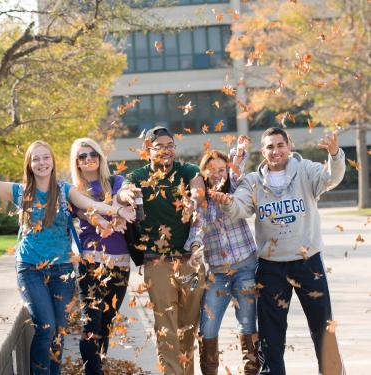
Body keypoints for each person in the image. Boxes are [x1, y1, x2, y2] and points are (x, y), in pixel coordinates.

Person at [0, 141, 135, 375]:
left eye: (46, 157)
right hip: (30, 269)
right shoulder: (20, 191)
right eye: (36, 159)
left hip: (62, 271)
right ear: (29, 164)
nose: (41, 163)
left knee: (59, 332)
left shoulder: (65, 191)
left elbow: (91, 205)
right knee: (46, 328)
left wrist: (117, 211)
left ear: (53, 162)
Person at [209, 127, 346, 375]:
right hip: (271, 267)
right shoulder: (252, 181)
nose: (276, 151)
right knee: (271, 336)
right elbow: (239, 206)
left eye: (280, 145)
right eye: (270, 147)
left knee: (323, 328)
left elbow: (331, 178)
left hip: (307, 263)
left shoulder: (306, 170)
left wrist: (335, 154)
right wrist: (229, 203)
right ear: (263, 151)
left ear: (289, 146)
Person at [116, 126, 206, 375]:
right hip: (157, 262)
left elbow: (198, 186)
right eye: (160, 146)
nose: (166, 151)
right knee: (166, 325)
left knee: (188, 325)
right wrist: (127, 194)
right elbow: (123, 191)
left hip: (189, 260)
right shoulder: (138, 177)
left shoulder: (186, 170)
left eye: (170, 146)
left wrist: (194, 200)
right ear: (148, 149)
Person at [184, 136, 259, 375]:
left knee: (247, 323)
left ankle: (251, 370)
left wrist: (239, 151)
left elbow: (239, 165)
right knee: (208, 327)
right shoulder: (203, 203)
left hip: (246, 267)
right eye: (212, 170)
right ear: (204, 174)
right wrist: (195, 248)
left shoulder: (235, 186)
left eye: (221, 169)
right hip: (218, 273)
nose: (218, 173)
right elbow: (198, 229)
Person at [69, 137, 131, 375]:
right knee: (90, 324)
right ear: (77, 162)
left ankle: (98, 367)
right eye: (82, 156)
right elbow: (86, 214)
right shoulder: (74, 190)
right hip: (92, 263)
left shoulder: (116, 181)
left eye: (92, 154)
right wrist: (105, 219)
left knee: (106, 323)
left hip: (120, 264)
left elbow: (123, 197)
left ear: (100, 157)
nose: (88, 159)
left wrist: (119, 207)